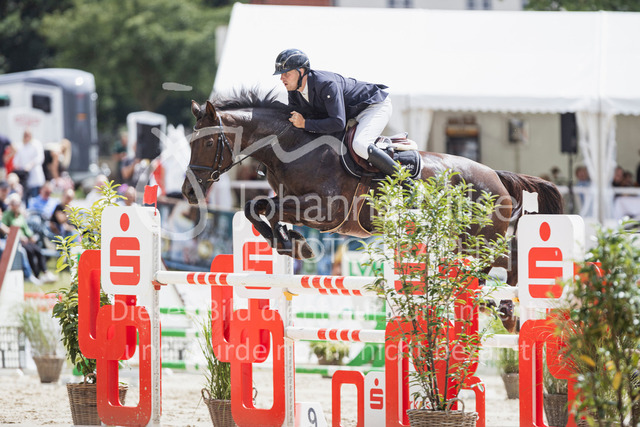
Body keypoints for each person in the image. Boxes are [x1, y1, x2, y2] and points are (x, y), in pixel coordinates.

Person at [273, 48, 399, 177]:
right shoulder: (294, 91)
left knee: (360, 145)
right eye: (281, 74)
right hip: (352, 113)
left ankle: (404, 179)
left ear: (301, 71)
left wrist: (305, 123)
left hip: (374, 106)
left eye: (286, 73)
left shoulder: (326, 84)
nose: (282, 78)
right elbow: (295, 119)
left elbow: (338, 123)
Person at [2, 193, 57, 283]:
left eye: (18, 203)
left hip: (25, 239)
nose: (17, 205)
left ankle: (45, 272)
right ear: (11, 204)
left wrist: (31, 236)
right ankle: (36, 275)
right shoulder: (7, 215)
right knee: (30, 251)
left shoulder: (20, 215)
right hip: (15, 240)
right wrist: (18, 237)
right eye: (15, 203)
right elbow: (5, 228)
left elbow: (25, 228)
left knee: (38, 250)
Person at [12, 130, 46, 201]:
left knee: (35, 199)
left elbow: (40, 158)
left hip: (35, 177)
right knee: (25, 199)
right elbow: (16, 161)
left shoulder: (36, 144)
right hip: (24, 178)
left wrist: (31, 164)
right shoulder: (21, 146)